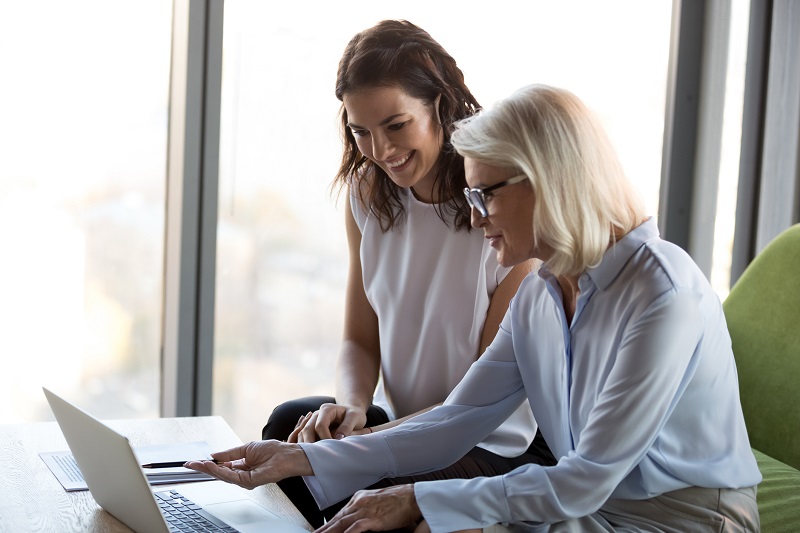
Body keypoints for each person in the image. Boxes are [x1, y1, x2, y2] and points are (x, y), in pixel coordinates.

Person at [189, 84, 762, 532]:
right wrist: (297, 462)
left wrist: (416, 495)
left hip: (684, 523)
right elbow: (455, 420)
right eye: (470, 194)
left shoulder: (662, 293)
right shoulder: (542, 295)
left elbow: (584, 480)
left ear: (549, 182)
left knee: (437, 518)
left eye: (485, 193)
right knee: (435, 519)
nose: (475, 215)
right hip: (585, 510)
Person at [259, 20, 553, 527]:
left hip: (490, 439)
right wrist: (352, 408)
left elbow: (479, 401)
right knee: (290, 426)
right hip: (408, 425)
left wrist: (367, 446)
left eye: (396, 125)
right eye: (360, 131)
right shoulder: (367, 199)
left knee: (358, 481)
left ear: (439, 104)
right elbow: (359, 339)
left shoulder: (501, 213)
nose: (379, 150)